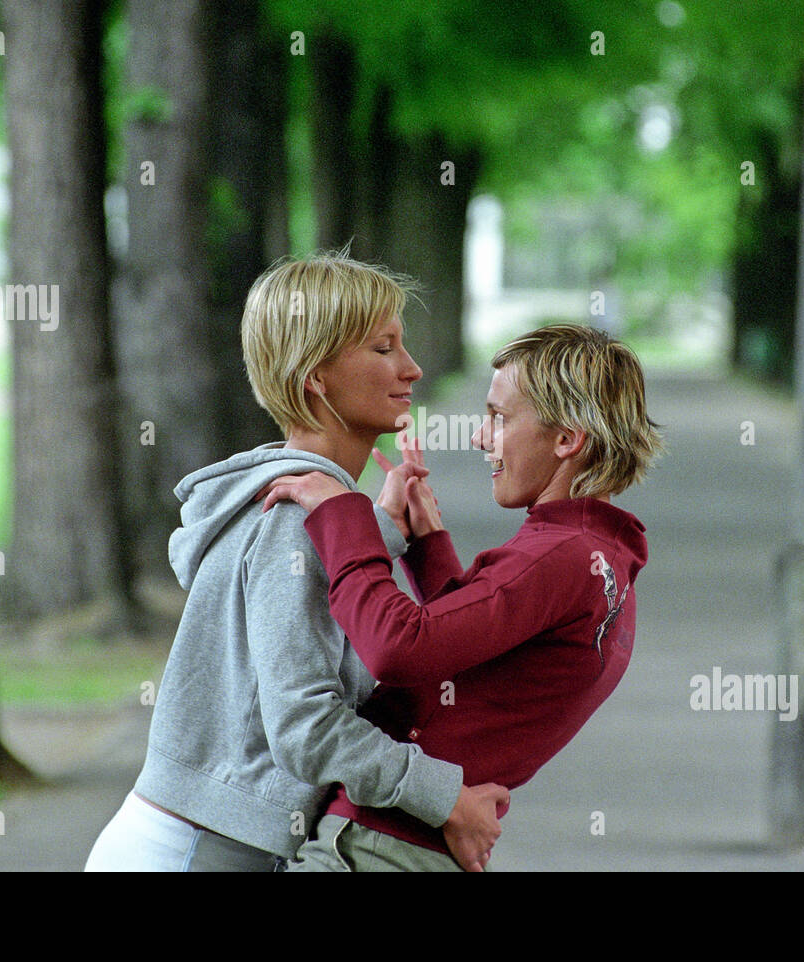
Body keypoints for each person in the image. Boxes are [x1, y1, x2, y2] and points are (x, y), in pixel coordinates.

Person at [84, 250, 507, 872]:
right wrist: (443, 799)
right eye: (384, 348)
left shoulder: (306, 508)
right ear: (316, 376)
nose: (412, 368)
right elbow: (305, 723)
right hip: (200, 853)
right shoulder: (295, 517)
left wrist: (378, 535)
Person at [262, 323, 665, 871]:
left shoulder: (558, 558)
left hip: (378, 850)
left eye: (499, 418)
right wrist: (428, 546)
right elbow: (480, 649)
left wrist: (343, 515)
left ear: (567, 439)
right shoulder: (603, 558)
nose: (480, 437)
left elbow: (399, 647)